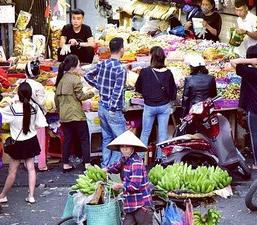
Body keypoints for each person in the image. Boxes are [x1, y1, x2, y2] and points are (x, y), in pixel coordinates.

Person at [0, 82, 48, 204]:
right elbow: (41, 124)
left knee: (13, 171)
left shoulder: (12, 109)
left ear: (18, 94)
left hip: (18, 143)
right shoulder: (35, 108)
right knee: (31, 168)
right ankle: (31, 196)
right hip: (31, 140)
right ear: (30, 94)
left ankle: (3, 195)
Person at [84, 37, 127, 168]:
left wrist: (99, 86)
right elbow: (117, 91)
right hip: (112, 109)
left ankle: (104, 166)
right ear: (121, 50)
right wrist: (112, 107)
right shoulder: (121, 69)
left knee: (107, 138)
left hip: (102, 107)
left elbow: (87, 75)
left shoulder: (103, 64)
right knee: (121, 141)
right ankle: (112, 168)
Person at [105, 130, 154, 225]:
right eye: (122, 146)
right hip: (131, 206)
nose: (124, 149)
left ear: (133, 148)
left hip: (142, 206)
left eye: (127, 146)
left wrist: (120, 185)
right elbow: (115, 167)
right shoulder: (124, 160)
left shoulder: (136, 162)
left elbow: (134, 186)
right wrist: (103, 170)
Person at [135, 46, 177, 159]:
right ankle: (161, 158)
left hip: (149, 106)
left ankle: (140, 158)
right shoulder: (168, 73)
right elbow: (173, 92)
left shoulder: (145, 72)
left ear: (152, 57)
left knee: (145, 133)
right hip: (164, 106)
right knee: (162, 133)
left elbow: (137, 88)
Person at [55, 54, 95, 173]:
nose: (79, 67)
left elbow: (56, 100)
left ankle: (65, 164)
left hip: (65, 115)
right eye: (78, 65)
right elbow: (81, 96)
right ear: (73, 66)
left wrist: (60, 110)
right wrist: (92, 92)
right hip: (76, 114)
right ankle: (87, 163)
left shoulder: (60, 80)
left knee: (67, 139)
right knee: (84, 138)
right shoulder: (75, 79)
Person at [15, 61, 49, 172]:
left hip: (24, 115)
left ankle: (27, 163)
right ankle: (42, 165)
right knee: (40, 141)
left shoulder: (21, 84)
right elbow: (42, 102)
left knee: (27, 138)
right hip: (37, 115)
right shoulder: (38, 85)